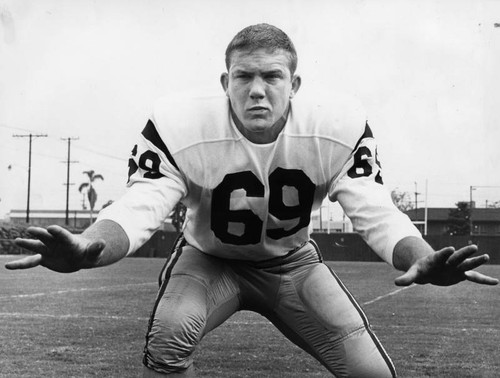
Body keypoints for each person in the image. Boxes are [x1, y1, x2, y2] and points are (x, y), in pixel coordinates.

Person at [6, 24, 498, 377]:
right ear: (226, 83)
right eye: (243, 77)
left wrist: (420, 255)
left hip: (293, 264)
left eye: (272, 77)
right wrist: (89, 247)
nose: (257, 91)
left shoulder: (336, 127)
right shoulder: (181, 125)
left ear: (295, 84)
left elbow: (374, 210)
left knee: (370, 371)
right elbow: (142, 204)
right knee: (167, 343)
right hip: (208, 260)